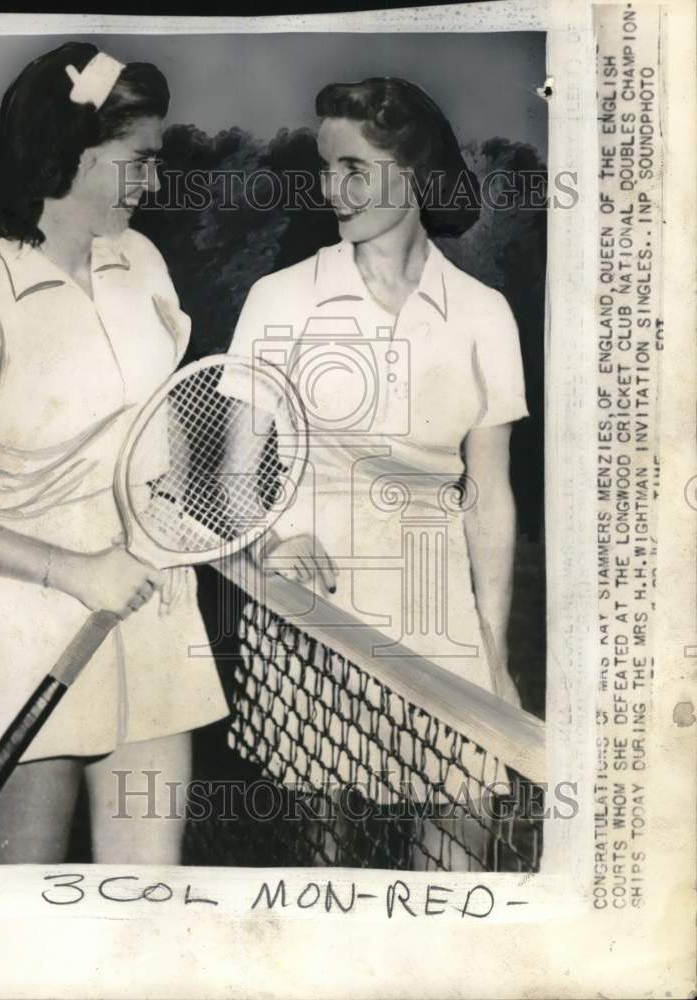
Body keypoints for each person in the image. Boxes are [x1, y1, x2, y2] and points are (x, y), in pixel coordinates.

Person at [0, 42, 228, 865]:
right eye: (136, 161)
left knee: (148, 904)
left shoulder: (141, 261)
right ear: (66, 153)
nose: (151, 183)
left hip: (154, 606)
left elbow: (161, 417)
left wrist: (187, 510)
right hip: (23, 628)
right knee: (19, 918)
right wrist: (73, 571)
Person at [223, 78, 529, 869]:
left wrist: (491, 651)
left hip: (439, 618)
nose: (334, 189)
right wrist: (272, 545)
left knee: (459, 859)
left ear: (417, 173)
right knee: (327, 873)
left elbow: (488, 498)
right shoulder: (280, 299)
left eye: (354, 167)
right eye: (326, 168)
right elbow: (229, 476)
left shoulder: (485, 314)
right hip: (309, 608)